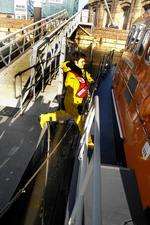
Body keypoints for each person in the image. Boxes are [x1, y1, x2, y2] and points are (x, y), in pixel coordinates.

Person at [40, 51, 94, 147]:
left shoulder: (82, 72)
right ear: (75, 62)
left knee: (64, 115)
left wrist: (90, 80)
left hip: (78, 101)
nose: (84, 63)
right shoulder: (71, 75)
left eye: (84, 62)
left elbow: (87, 78)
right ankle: (88, 141)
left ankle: (44, 117)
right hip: (71, 102)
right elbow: (69, 85)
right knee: (79, 120)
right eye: (82, 61)